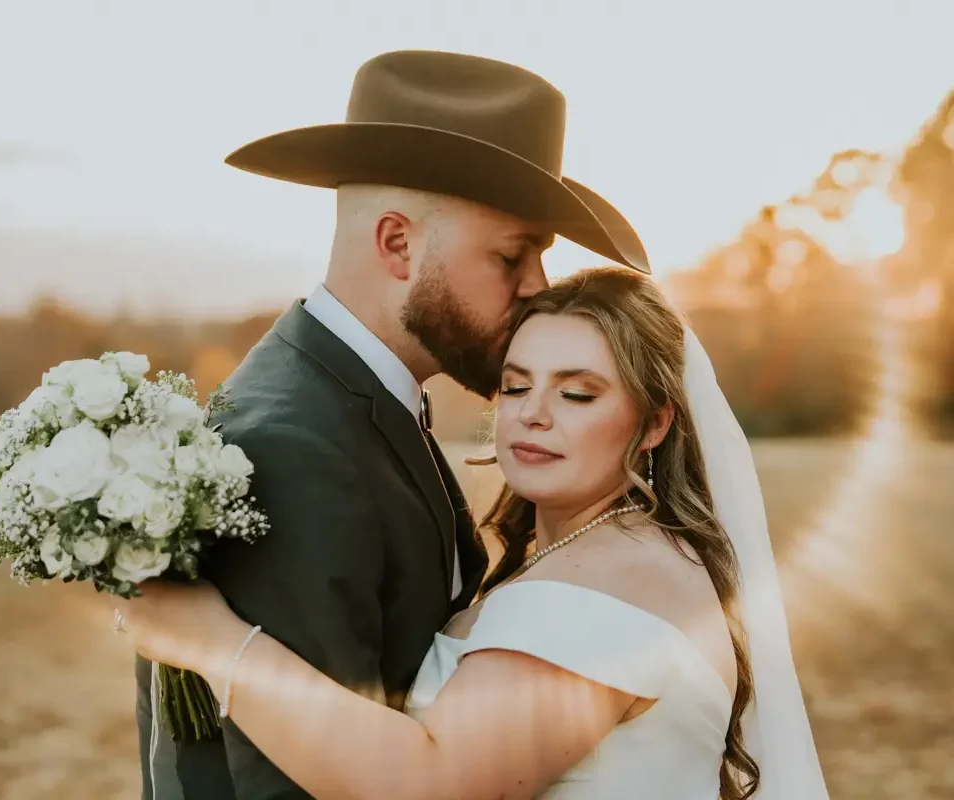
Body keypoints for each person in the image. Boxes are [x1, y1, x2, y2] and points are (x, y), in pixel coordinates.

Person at [133, 49, 650, 799]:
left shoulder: (364, 397)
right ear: (398, 245)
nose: (539, 286)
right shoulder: (291, 449)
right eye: (513, 255)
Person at [118, 267, 831, 798]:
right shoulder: (591, 556)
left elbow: (434, 783)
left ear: (654, 423)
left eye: (578, 393)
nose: (534, 413)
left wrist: (212, 641)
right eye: (517, 385)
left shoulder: (616, 578)